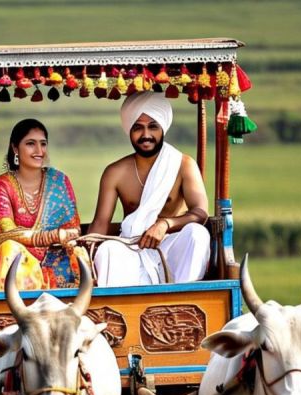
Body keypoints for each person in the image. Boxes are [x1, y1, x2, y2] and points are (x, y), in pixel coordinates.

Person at [87, 91, 211, 286]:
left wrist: (165, 225)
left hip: (170, 246)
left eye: (153, 127)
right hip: (132, 247)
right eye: (138, 127)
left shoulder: (182, 164)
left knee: (197, 234)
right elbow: (101, 223)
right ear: (129, 130)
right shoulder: (115, 172)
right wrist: (85, 256)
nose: (146, 135)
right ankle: (120, 304)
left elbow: (200, 213)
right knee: (108, 250)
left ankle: (184, 296)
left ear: (163, 128)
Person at [0, 118, 89, 291]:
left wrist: (64, 237)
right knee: (9, 247)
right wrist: (52, 236)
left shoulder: (59, 181)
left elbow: (74, 230)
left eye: (43, 144)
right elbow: (9, 232)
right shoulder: (3, 185)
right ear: (15, 148)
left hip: (57, 263)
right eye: (31, 144)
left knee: (79, 253)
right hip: (20, 264)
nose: (39, 151)